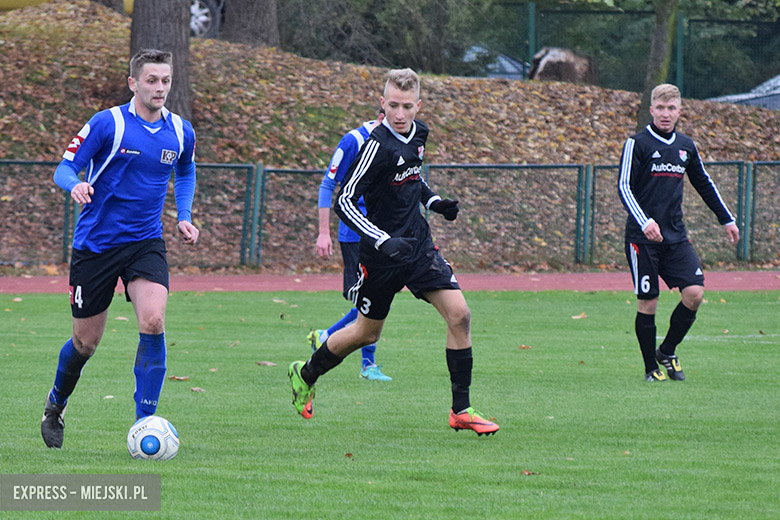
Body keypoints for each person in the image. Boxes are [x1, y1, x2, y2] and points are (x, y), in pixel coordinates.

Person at [288, 68, 499, 436]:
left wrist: (435, 202)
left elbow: (412, 179)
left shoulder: (419, 134)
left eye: (407, 106)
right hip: (381, 258)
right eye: (393, 106)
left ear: (418, 106)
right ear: (381, 104)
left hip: (418, 248)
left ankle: (461, 410)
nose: (399, 115)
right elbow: (345, 203)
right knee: (365, 334)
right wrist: (382, 240)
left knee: (460, 315)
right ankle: (304, 374)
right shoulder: (376, 146)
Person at [40, 49, 199, 449]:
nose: (159, 88)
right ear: (133, 83)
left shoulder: (181, 131)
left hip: (145, 242)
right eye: (151, 80)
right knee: (85, 344)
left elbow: (185, 169)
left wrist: (184, 214)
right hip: (96, 245)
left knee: (153, 320)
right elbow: (64, 166)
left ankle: (144, 422)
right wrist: (73, 184)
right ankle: (56, 404)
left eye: (165, 80)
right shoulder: (107, 123)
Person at [618, 83, 739, 383]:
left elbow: (704, 183)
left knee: (695, 293)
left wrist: (727, 219)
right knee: (649, 302)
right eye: (660, 108)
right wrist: (645, 220)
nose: (665, 114)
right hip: (642, 238)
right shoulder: (637, 143)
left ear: (679, 111)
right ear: (651, 110)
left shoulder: (686, 146)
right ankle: (650, 369)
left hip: (675, 236)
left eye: (671, 108)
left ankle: (667, 350)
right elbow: (624, 186)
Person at [310, 109, 392, 381]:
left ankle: (328, 335)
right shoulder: (353, 141)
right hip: (355, 234)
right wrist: (324, 233)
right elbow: (327, 185)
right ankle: (367, 364)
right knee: (369, 299)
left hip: (380, 234)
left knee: (376, 298)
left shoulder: (396, 142)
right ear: (382, 116)